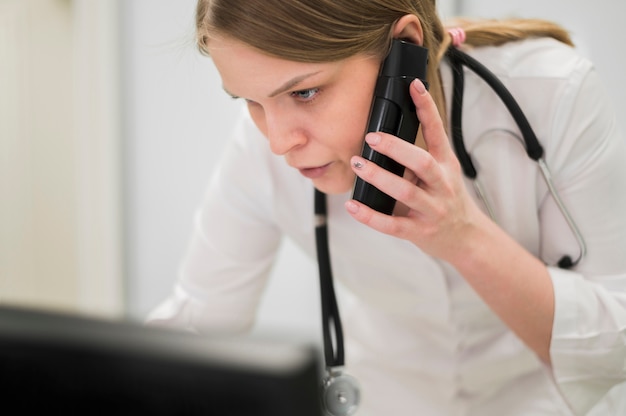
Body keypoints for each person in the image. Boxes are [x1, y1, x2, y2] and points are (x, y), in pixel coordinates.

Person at [147, 0, 626, 414]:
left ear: (405, 48)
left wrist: (465, 238)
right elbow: (198, 325)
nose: (278, 141)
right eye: (249, 102)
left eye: (304, 92)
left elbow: (616, 348)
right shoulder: (260, 153)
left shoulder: (553, 92)